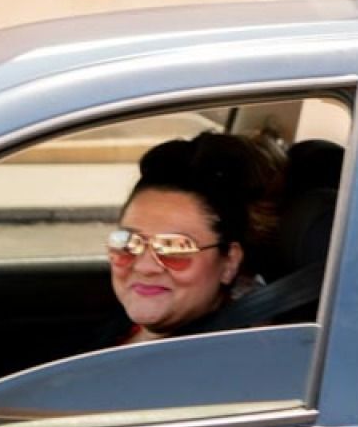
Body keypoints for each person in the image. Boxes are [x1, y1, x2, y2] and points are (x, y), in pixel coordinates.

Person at [104, 131, 286, 345]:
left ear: (229, 262)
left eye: (175, 247)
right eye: (129, 242)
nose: (144, 266)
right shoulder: (127, 325)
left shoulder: (233, 357)